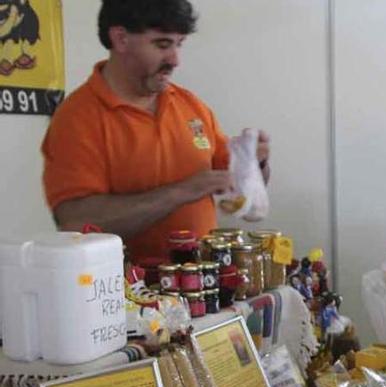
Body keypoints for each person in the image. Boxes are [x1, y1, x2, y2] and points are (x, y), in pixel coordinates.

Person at [41, 0, 271, 263]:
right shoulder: (77, 117)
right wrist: (183, 191)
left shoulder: (191, 106)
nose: (175, 60)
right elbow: (76, 222)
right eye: (162, 44)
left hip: (202, 288)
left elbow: (234, 188)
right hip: (128, 294)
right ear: (121, 39)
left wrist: (255, 165)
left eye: (179, 44)